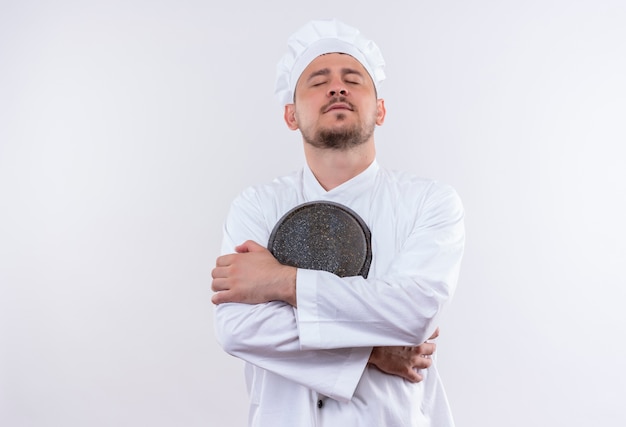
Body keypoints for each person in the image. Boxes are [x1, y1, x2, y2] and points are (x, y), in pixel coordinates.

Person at [211, 19, 465, 427]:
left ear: (380, 110)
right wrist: (371, 351)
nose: (337, 87)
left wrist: (280, 282)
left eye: (352, 79)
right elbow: (238, 327)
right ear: (290, 115)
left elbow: (414, 313)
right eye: (318, 81)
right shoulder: (256, 205)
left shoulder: (429, 202)